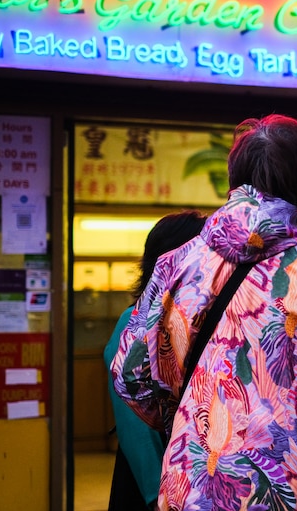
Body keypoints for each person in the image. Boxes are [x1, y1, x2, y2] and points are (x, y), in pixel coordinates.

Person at [111, 114, 297, 511]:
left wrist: (193, 415)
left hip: (197, 487)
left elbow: (133, 382)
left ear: (236, 177)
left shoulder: (176, 265)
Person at [104, 210, 207, 511]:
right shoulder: (134, 324)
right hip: (151, 487)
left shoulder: (190, 320)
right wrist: (156, 495)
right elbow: (136, 428)